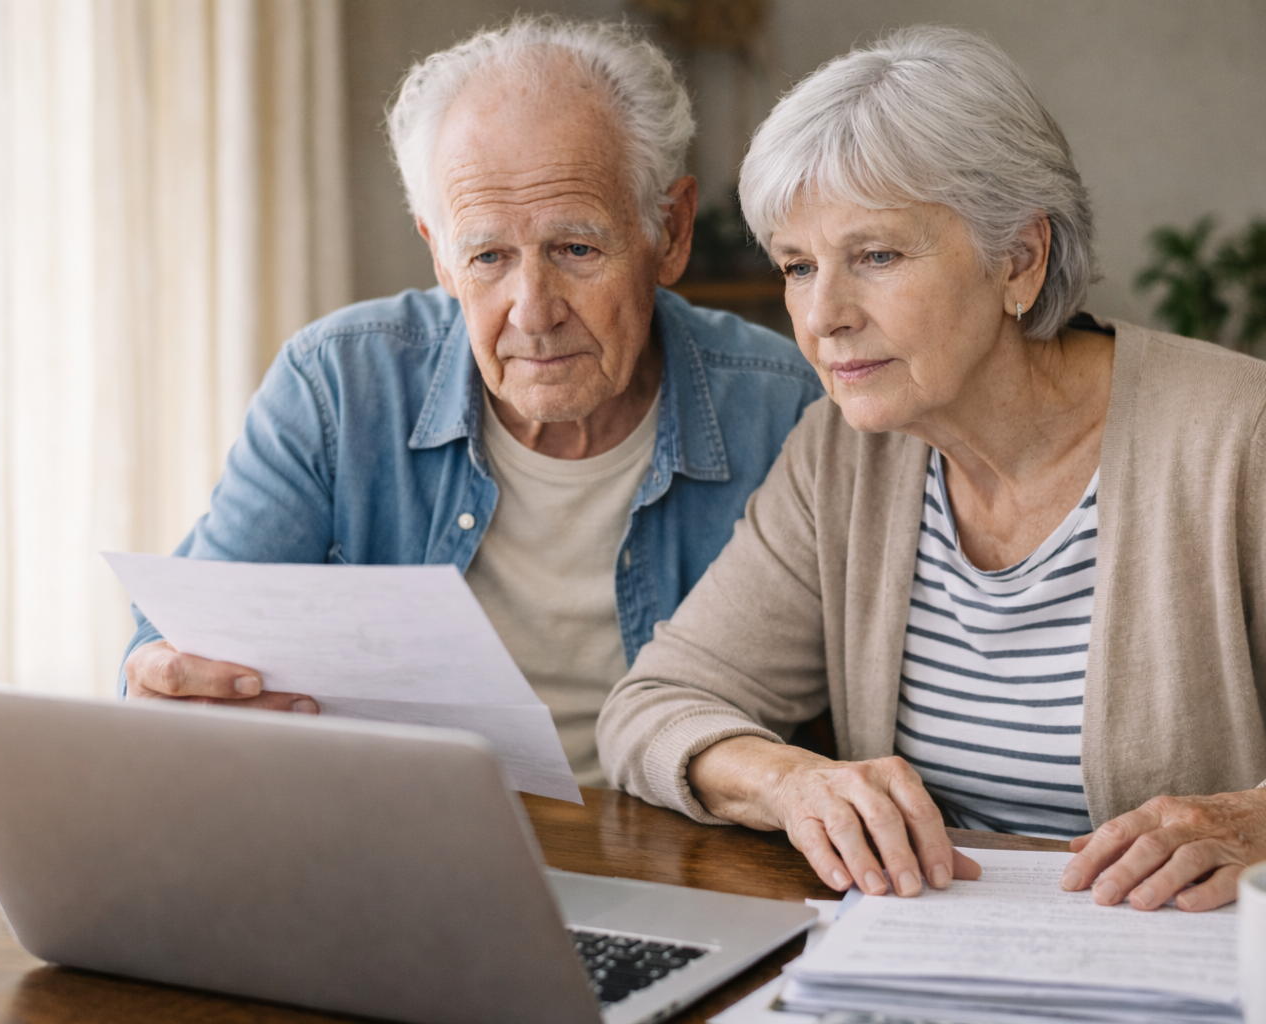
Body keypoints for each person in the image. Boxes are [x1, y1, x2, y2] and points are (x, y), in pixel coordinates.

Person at [597, 26, 1266, 909]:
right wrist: (791, 782)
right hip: (930, 957)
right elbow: (653, 708)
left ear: (1020, 260)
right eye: (797, 265)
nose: (822, 315)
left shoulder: (1247, 436)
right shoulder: (839, 454)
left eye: (877, 255)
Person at [120, 17, 823, 787]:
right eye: (488, 256)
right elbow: (175, 645)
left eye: (576, 249)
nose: (533, 310)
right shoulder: (339, 386)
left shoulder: (784, 408)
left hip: (678, 855)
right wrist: (168, 685)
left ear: (672, 231)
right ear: (440, 255)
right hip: (406, 849)